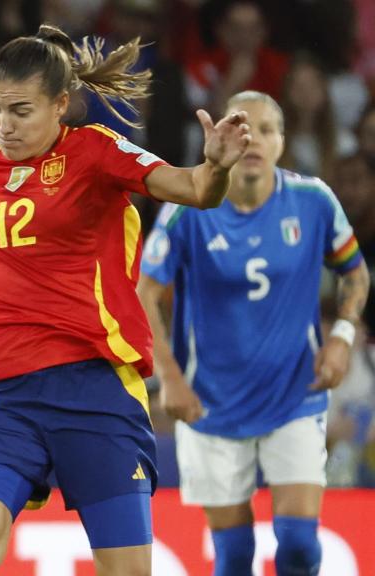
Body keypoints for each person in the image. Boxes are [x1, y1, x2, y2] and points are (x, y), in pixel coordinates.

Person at [0, 24, 252, 576]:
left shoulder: (95, 150)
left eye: (21, 111)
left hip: (94, 386)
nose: (3, 124)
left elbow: (192, 191)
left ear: (60, 104)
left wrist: (216, 167)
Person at [137, 91, 370, 576]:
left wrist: (342, 336)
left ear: (282, 142)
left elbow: (355, 273)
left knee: (300, 545)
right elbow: (145, 293)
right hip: (210, 402)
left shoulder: (313, 201)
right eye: (242, 128)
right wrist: (170, 378)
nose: (254, 140)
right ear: (221, 136)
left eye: (267, 130)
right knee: (235, 555)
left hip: (295, 395)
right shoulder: (187, 209)